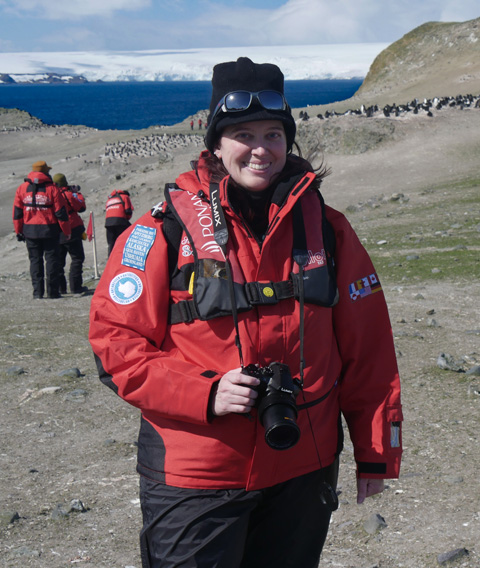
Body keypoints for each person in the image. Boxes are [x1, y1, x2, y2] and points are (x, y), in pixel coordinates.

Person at [89, 57, 403, 568]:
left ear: (289, 141)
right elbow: (114, 346)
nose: (261, 149)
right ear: (214, 144)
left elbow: (369, 351)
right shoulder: (162, 230)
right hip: (197, 475)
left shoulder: (329, 230)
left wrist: (376, 453)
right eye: (242, 134)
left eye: (273, 134)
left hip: (305, 466)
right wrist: (206, 393)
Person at [13, 160, 71, 299]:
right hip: (49, 230)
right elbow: (61, 214)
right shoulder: (53, 189)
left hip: (30, 231)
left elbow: (17, 213)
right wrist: (67, 231)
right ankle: (53, 292)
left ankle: (37, 293)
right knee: (52, 260)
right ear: (46, 172)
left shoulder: (22, 188)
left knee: (35, 261)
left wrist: (18, 231)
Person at [52, 173, 88, 295]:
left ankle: (61, 288)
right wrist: (77, 194)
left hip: (57, 232)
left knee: (59, 261)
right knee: (77, 258)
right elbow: (81, 207)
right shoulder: (67, 195)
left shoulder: (51, 195)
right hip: (72, 229)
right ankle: (75, 287)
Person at [104, 188, 134, 256]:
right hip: (120, 221)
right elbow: (128, 211)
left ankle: (110, 262)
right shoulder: (125, 197)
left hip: (108, 223)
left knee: (111, 244)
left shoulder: (110, 199)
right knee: (127, 237)